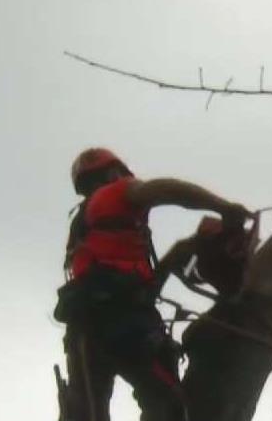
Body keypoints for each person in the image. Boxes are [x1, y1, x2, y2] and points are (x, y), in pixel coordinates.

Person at [56, 147, 250, 421]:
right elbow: (170, 190)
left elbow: (142, 288)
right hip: (125, 325)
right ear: (115, 173)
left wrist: (182, 250)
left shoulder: (94, 231)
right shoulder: (115, 194)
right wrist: (224, 208)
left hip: (87, 331)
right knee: (168, 405)